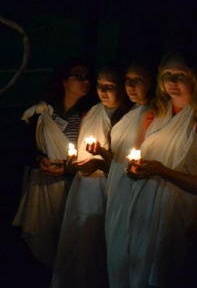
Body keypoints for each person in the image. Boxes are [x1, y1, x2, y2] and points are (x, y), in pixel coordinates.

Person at [109, 49, 197, 288]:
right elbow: (135, 159)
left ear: (196, 78)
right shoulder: (153, 113)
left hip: (179, 210)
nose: (171, 82)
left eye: (180, 75)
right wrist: (133, 170)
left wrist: (163, 171)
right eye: (167, 74)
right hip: (142, 207)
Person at [51, 63, 132, 288]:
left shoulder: (128, 118)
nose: (103, 91)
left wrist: (100, 162)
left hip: (110, 192)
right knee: (77, 246)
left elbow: (126, 163)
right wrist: (72, 164)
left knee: (99, 248)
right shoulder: (91, 113)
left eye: (110, 86)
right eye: (99, 85)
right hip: (82, 190)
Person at [12, 59, 92, 268]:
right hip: (42, 182)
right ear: (64, 81)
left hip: (71, 184)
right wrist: (40, 160)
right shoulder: (42, 114)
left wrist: (69, 168)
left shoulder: (89, 115)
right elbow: (23, 148)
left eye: (87, 77)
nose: (85, 81)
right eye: (78, 76)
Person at [103, 61, 156, 288]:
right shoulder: (129, 112)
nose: (131, 86)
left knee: (127, 249)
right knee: (114, 247)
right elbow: (116, 158)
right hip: (116, 186)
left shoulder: (151, 113)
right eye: (128, 80)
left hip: (132, 187)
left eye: (139, 80)